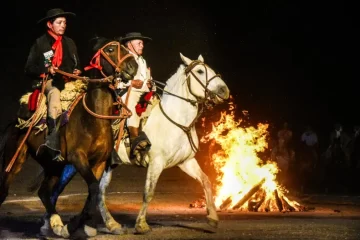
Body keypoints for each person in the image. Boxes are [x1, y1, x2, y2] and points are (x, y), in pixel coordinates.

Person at [24, 8, 82, 161]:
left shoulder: (70, 43)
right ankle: (52, 139)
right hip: (48, 81)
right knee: (54, 93)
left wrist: (76, 71)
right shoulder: (40, 43)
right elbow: (29, 68)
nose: (63, 25)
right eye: (59, 22)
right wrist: (46, 69)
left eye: (64, 22)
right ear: (50, 25)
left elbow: (76, 64)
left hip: (69, 81)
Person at [117, 32, 154, 156]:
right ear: (129, 44)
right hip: (127, 92)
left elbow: (147, 78)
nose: (142, 45)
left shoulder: (143, 61)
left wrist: (150, 83)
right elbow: (115, 81)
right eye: (139, 43)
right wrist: (130, 83)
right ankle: (134, 138)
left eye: (142, 43)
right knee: (131, 105)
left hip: (144, 92)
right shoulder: (123, 59)